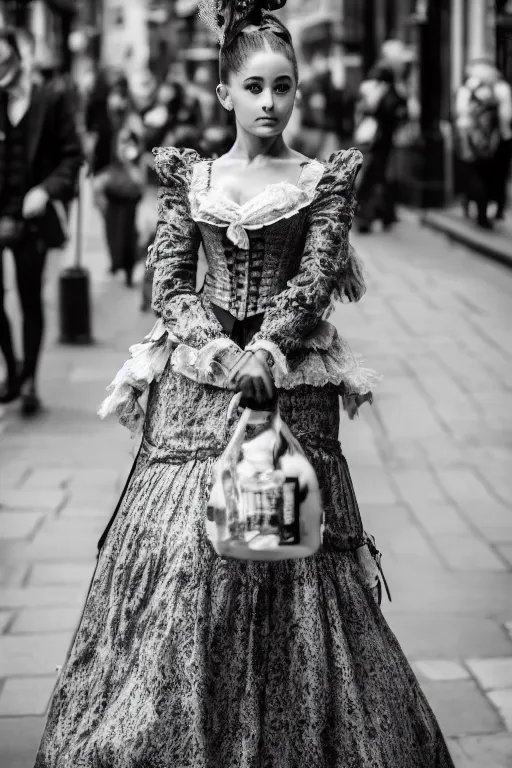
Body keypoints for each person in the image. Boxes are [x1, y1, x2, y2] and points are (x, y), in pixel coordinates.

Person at [34, 2, 456, 765]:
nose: (270, 102)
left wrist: (264, 351)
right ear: (225, 91)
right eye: (254, 86)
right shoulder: (191, 179)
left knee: (292, 544)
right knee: (186, 561)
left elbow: (316, 278)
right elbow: (168, 280)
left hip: (290, 386)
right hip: (197, 392)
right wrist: (220, 354)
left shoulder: (322, 182)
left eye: (283, 86)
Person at [0, 27, 82, 414]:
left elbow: (72, 156)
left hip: (31, 218)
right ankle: (12, 369)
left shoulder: (50, 100)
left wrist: (45, 190)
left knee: (30, 296)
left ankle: (29, 377)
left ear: (20, 58)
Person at [87, 72, 145, 286]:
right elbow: (95, 144)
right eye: (113, 93)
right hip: (106, 179)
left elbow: (135, 148)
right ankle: (117, 260)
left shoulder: (131, 119)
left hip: (128, 179)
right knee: (111, 223)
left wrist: (129, 156)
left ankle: (128, 264)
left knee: (127, 226)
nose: (116, 99)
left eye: (119, 93)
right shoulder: (102, 116)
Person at [353, 62, 408, 233]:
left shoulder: (376, 92)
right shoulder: (392, 93)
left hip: (378, 143)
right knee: (380, 179)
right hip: (384, 143)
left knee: (374, 179)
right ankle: (382, 215)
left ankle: (371, 217)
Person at [454, 59, 501, 229]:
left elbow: (461, 115)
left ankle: (475, 210)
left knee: (475, 174)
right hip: (484, 139)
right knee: (482, 175)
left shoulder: (469, 90)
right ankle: (479, 212)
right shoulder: (489, 91)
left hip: (473, 138)